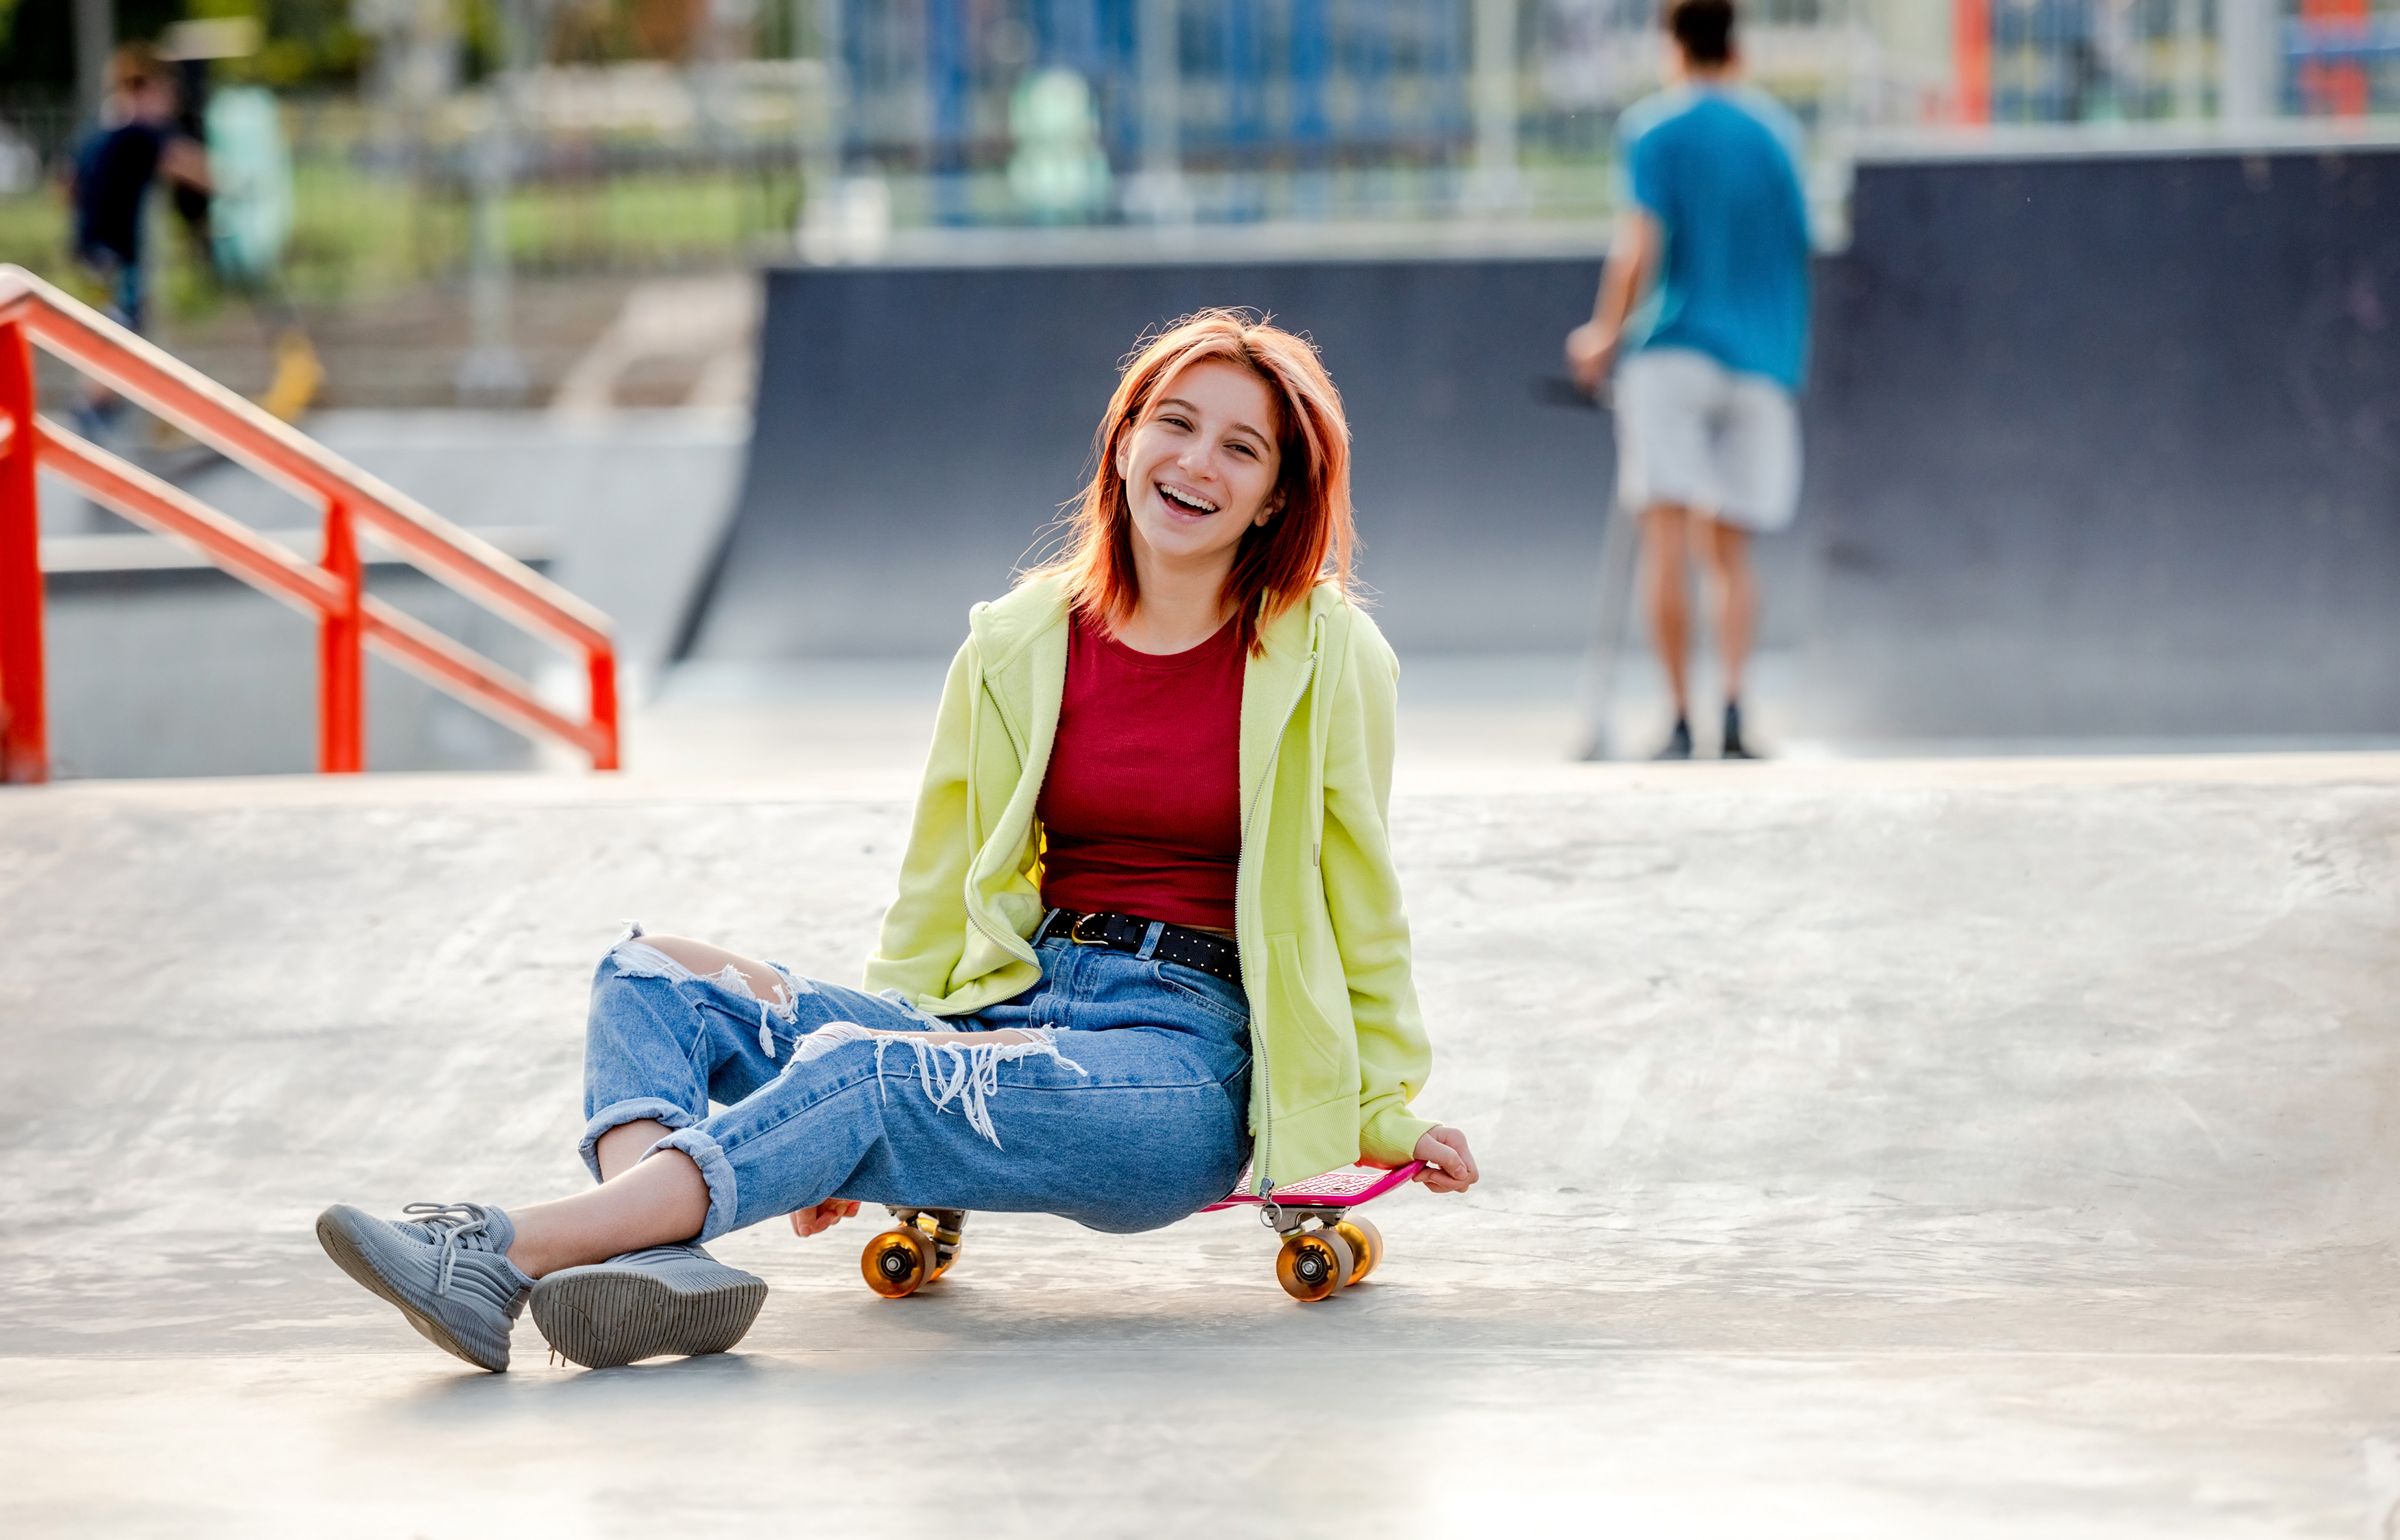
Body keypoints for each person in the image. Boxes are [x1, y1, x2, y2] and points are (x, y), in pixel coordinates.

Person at [315, 310, 1482, 1373]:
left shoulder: (1328, 658)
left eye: (1243, 447)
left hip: (1178, 1066)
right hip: (1015, 1008)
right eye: (1174, 424)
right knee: (652, 976)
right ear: (1123, 441)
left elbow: (1358, 901)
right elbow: (937, 889)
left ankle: (500, 1253)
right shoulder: (1018, 641)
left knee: (862, 1075)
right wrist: (817, 1128)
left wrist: (1385, 1115)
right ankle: (658, 1259)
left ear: (1278, 495)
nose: (1197, 463)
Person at [1565, 0, 1810, 761]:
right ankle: (1734, 708)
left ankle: (1677, 719)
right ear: (1735, 44)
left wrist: (1603, 333)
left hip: (1670, 349)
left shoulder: (1653, 129)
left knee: (1664, 538)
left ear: (1670, 43)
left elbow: (1640, 239)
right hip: (1761, 358)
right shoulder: (1775, 134)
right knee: (1729, 550)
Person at [64, 44, 211, 438]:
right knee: (121, 324)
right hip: (114, 248)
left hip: (91, 243)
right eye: (164, 95)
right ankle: (93, 405)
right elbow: (185, 164)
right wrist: (232, 184)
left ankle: (104, 403)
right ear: (147, 90)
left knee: (118, 320)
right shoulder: (139, 130)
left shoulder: (100, 128)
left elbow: (65, 183)